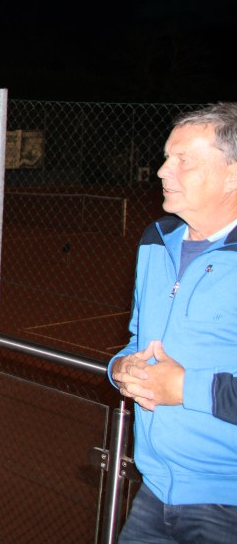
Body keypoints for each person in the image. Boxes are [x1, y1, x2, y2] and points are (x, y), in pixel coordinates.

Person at [109, 102, 237, 543]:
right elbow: (138, 340)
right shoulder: (156, 240)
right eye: (167, 157)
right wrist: (121, 367)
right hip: (155, 491)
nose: (164, 171)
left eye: (184, 160)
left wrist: (185, 388)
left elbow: (180, 383)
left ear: (232, 175)